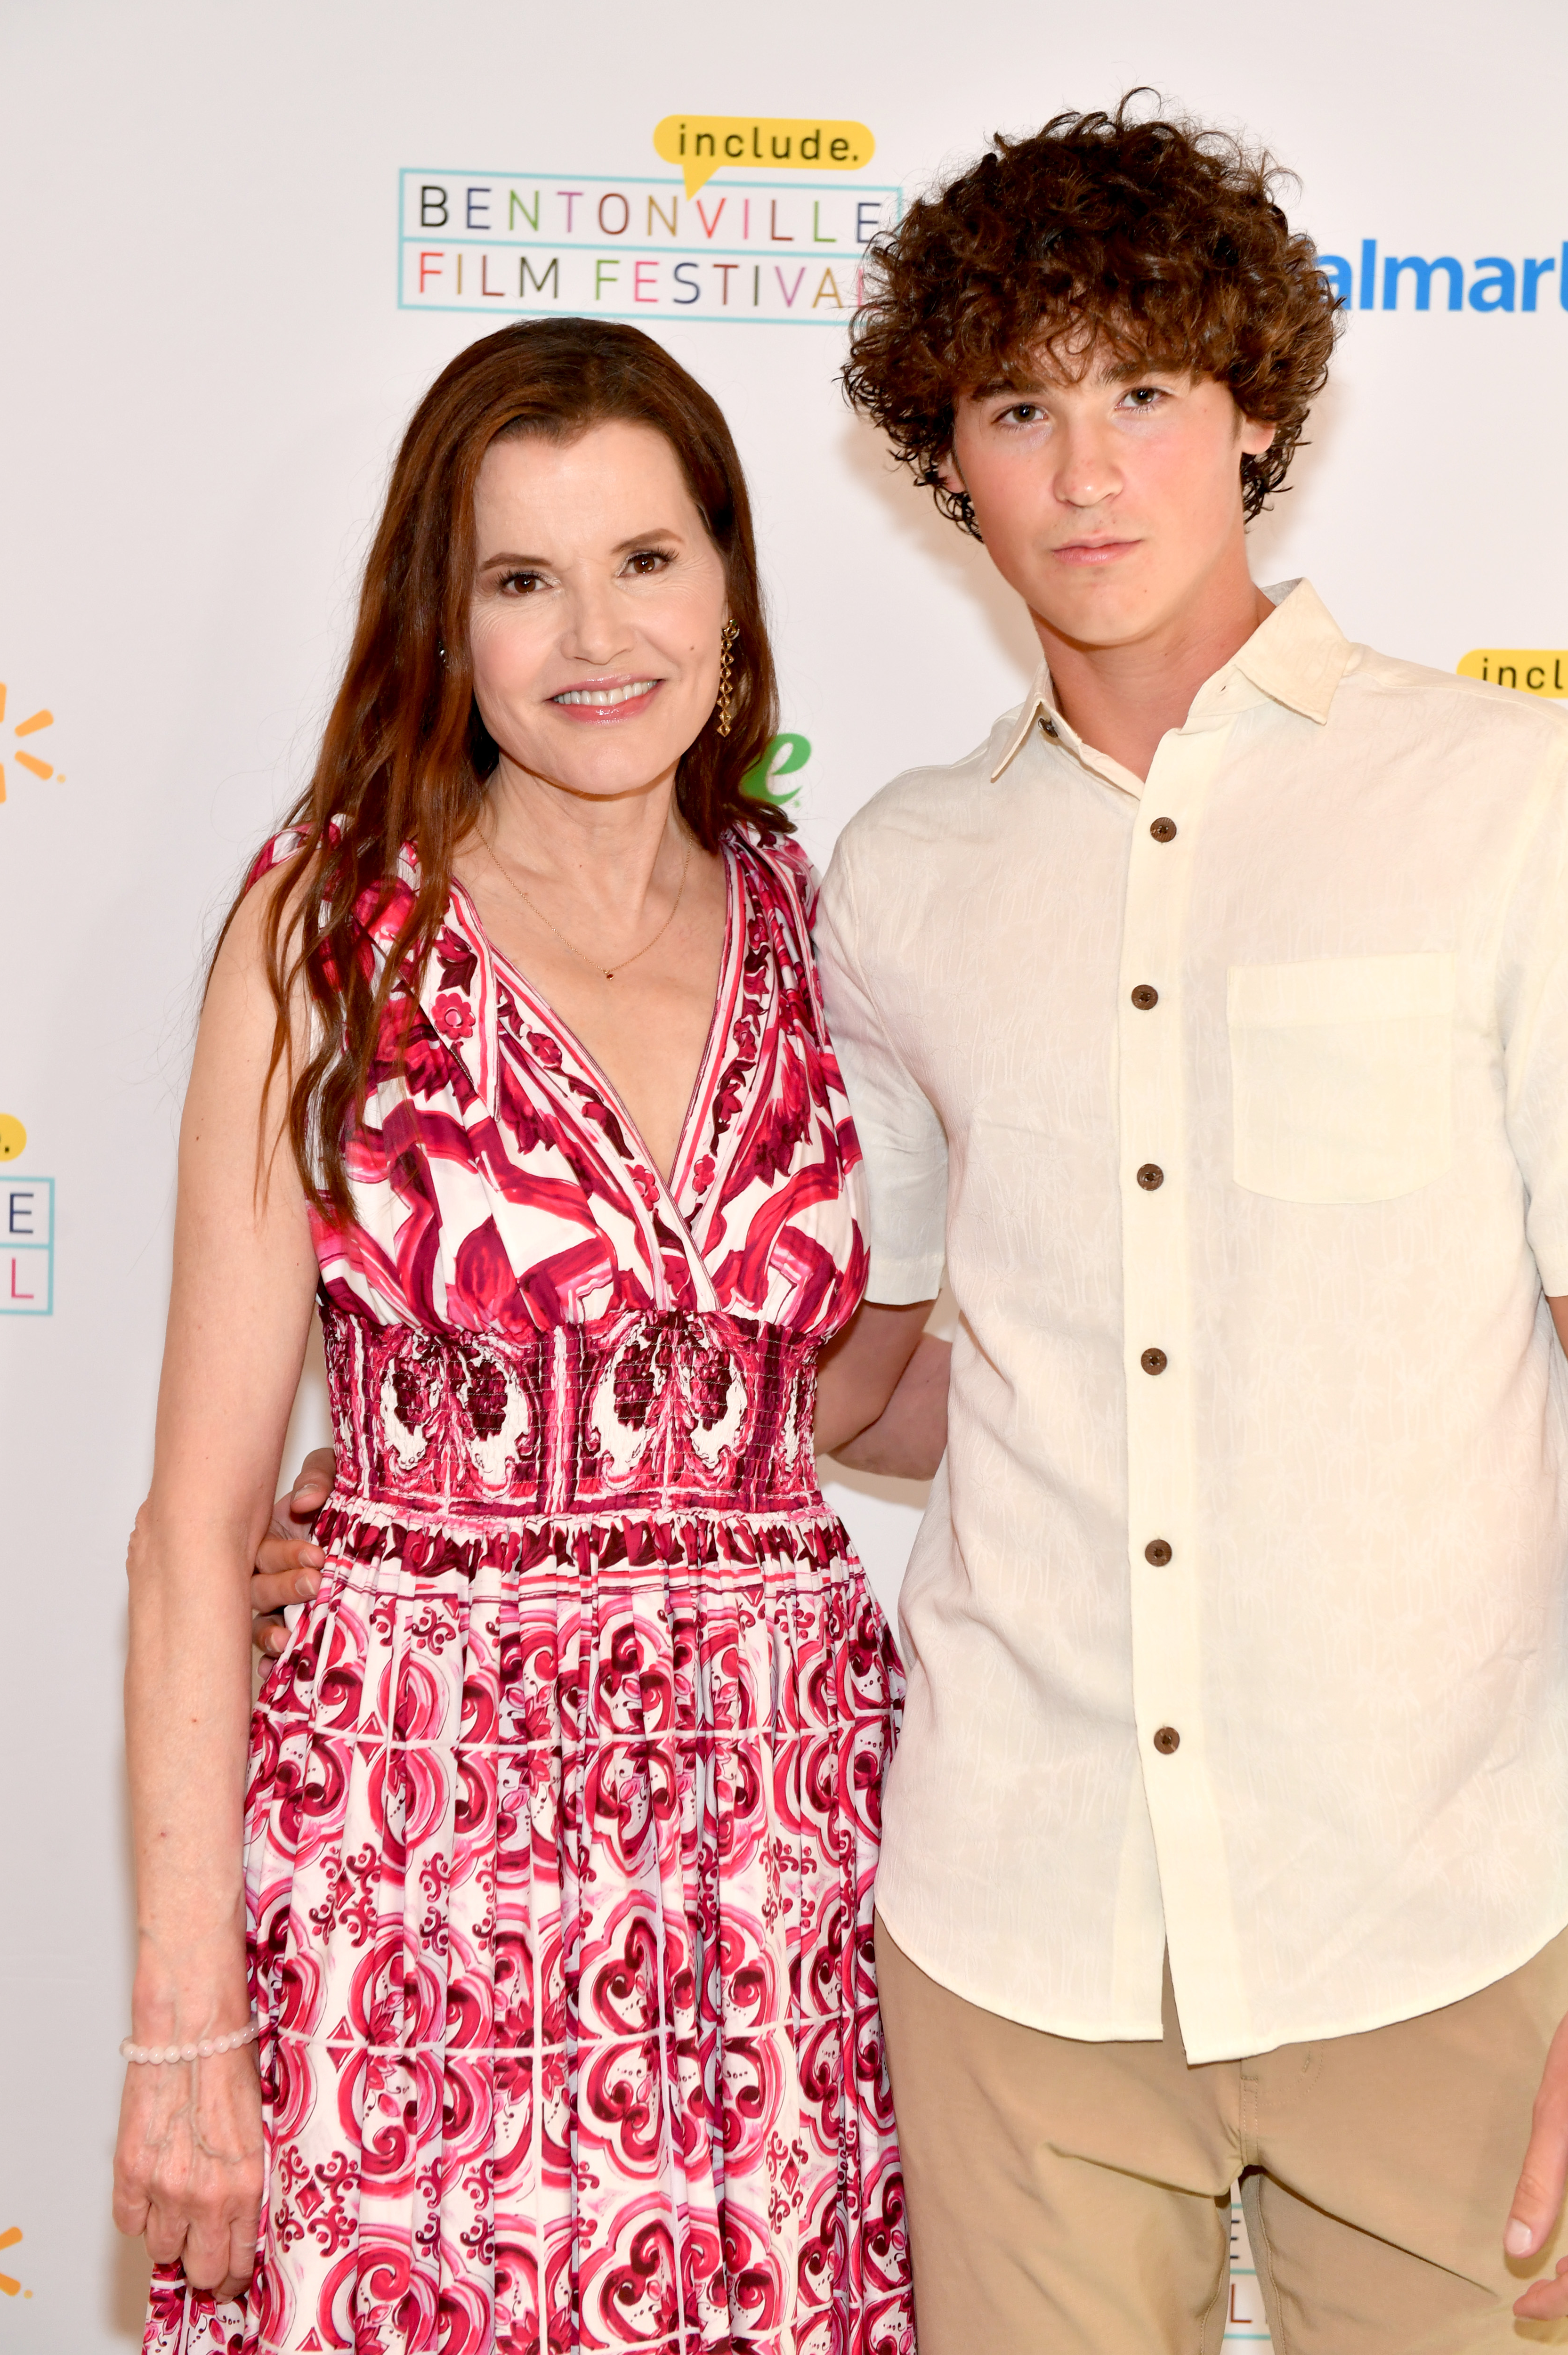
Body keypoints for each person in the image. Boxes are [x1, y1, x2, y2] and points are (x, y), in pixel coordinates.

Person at [830, 98, 1568, 2352]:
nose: (1086, 470)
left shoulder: (1500, 803)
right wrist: (473, 1501)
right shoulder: (902, 872)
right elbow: (884, 1369)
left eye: (1145, 387)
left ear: (1255, 407)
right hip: (1018, 1923)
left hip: (1438, 1917)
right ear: (945, 455)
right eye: (1021, 406)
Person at [113, 317, 928, 2355]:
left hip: (780, 1851)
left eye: (647, 560)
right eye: (522, 577)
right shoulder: (325, 932)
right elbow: (193, 1530)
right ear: (445, 619)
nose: (598, 633)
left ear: (731, 586)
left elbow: (848, 1389)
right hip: (415, 1842)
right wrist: (182, 2015)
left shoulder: (825, 929)